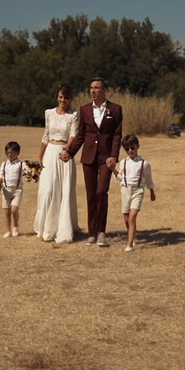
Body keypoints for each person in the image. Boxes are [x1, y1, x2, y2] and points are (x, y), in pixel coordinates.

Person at [63, 77, 123, 247]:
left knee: (101, 192)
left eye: (96, 88)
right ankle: (92, 232)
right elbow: (81, 136)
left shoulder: (116, 109)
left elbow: (117, 135)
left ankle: (101, 231)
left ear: (104, 90)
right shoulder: (85, 110)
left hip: (106, 158)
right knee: (91, 194)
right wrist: (70, 152)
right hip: (88, 157)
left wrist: (114, 156)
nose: (93, 91)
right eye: (91, 88)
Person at [34, 84, 80, 243]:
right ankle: (45, 227)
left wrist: (67, 149)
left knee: (64, 190)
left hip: (65, 154)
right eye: (61, 97)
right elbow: (45, 136)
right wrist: (40, 157)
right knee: (47, 190)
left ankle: (62, 228)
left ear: (70, 99)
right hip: (49, 153)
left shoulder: (74, 115)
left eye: (66, 98)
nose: (63, 100)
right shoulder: (49, 113)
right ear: (57, 97)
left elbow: (74, 134)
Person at [112, 135, 156, 252]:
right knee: (126, 218)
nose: (130, 151)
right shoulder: (123, 163)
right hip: (125, 191)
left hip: (138, 191)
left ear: (138, 147)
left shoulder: (144, 164)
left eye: (132, 147)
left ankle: (130, 244)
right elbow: (121, 178)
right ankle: (132, 235)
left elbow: (148, 179)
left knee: (132, 217)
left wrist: (151, 191)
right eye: (127, 149)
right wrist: (113, 169)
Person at [0, 141, 30, 238]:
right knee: (6, 211)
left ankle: (15, 226)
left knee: (14, 210)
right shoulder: (4, 164)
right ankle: (8, 231)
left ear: (18, 153)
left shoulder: (21, 164)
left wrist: (31, 172)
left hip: (17, 191)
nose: (10, 155)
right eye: (8, 153)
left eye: (13, 153)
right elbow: (1, 175)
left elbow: (28, 172)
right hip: (6, 191)